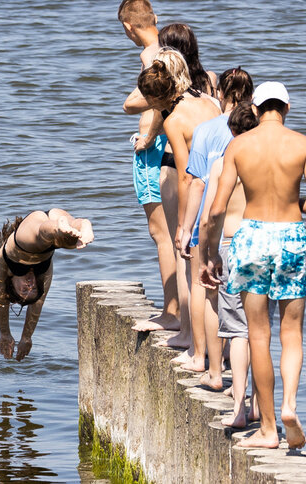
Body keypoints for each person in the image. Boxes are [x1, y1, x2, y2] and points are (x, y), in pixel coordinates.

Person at [199, 82, 306, 449]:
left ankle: (269, 428)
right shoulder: (303, 144)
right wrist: (294, 201)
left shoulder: (239, 145)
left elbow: (217, 208)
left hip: (251, 237)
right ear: (287, 108)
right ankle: (289, 405)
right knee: (292, 333)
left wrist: (209, 256)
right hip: (292, 236)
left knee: (258, 334)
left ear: (255, 111)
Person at [136, 47, 221, 367]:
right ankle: (216, 348)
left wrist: (185, 227)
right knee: (213, 271)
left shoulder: (173, 120)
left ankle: (194, 345)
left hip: (196, 193)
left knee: (192, 270)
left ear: (156, 100)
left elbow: (187, 176)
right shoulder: (208, 103)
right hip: (223, 188)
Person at [177, 67, 254, 388]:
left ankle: (205, 361)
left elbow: (195, 183)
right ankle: (229, 359)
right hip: (247, 227)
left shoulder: (207, 129)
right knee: (245, 306)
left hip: (210, 220)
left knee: (205, 290)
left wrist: (185, 227)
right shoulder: (256, 130)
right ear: (251, 96)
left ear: (219, 93)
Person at [197, 101, 262, 427]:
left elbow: (210, 216)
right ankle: (260, 407)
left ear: (232, 132)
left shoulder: (225, 163)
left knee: (237, 331)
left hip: (233, 243)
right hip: (266, 243)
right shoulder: (268, 161)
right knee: (260, 331)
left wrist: (208, 257)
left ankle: (239, 406)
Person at [118, 0, 181, 331]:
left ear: (128, 27)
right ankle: (178, 309)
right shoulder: (172, 49)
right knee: (173, 231)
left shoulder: (151, 56)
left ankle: (172, 311)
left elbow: (160, 97)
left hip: (155, 150)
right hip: (171, 147)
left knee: (163, 233)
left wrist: (149, 134)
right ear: (153, 18)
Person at [0, 209, 94, 362]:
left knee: (41, 237)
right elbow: (37, 305)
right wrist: (27, 338)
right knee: (70, 241)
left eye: (24, 289)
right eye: (34, 288)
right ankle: (83, 224)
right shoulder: (43, 273)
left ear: (11, 285)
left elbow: (2, 305)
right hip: (53, 225)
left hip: (26, 237)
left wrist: (5, 334)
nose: (31, 284)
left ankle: (59, 227)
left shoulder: (2, 269)